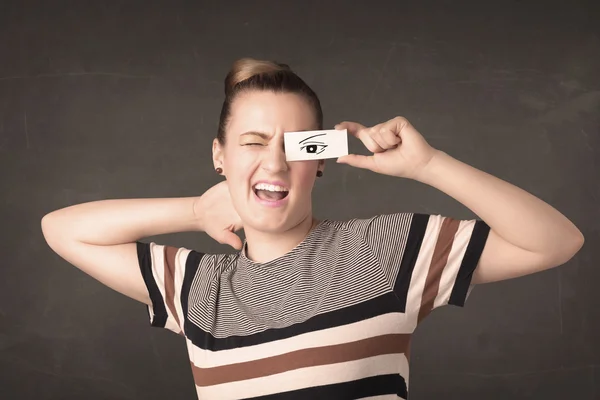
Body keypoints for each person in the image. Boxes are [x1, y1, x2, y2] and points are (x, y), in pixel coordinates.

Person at [41, 58, 584, 399]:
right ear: (219, 156)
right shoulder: (196, 289)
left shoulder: (380, 251)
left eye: (294, 147)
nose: (273, 166)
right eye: (252, 142)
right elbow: (62, 229)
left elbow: (557, 241)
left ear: (319, 161)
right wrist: (194, 211)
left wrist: (428, 165)